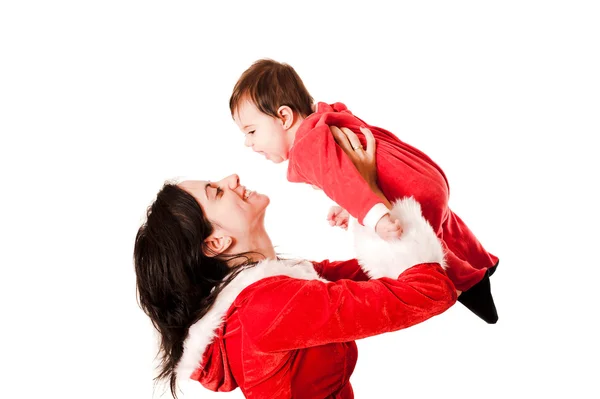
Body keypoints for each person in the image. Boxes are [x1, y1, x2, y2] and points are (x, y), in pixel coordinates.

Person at [133, 127, 456, 398]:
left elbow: (380, 273)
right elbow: (429, 292)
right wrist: (370, 193)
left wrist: (367, 208)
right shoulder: (270, 306)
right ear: (216, 242)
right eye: (216, 192)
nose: (230, 178)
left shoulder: (274, 289)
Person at [229, 58, 499, 323]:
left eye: (251, 131)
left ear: (284, 117)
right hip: (422, 174)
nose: (248, 143)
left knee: (427, 249)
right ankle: (482, 261)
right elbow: (348, 173)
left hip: (405, 194)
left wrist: (375, 218)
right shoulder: (324, 120)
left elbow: (342, 180)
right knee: (446, 225)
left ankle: (470, 285)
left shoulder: (305, 148)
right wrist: (349, 206)